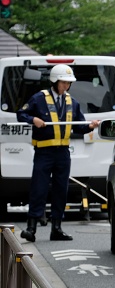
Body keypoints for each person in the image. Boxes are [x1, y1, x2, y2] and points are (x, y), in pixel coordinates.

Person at [17, 64, 100, 242]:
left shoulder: (72, 102)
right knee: (38, 188)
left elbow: (81, 127)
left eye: (68, 83)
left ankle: (57, 228)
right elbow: (20, 114)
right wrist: (33, 119)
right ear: (55, 81)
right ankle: (31, 228)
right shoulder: (39, 98)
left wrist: (90, 126)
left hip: (63, 153)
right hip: (44, 152)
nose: (66, 86)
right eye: (63, 82)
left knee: (61, 190)